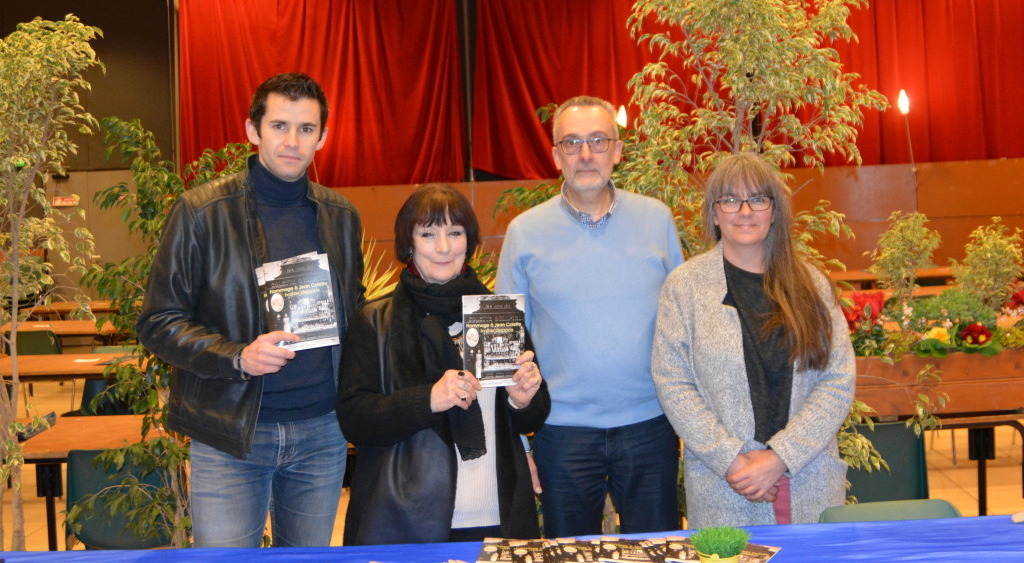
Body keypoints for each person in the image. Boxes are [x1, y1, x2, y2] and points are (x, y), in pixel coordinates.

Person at [137, 72, 364, 547]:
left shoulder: (341, 216)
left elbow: (357, 315)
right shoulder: (202, 212)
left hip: (321, 434)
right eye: (279, 125)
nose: (292, 141)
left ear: (323, 137)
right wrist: (237, 357)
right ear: (252, 130)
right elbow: (158, 322)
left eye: (306, 129)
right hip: (230, 433)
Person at [496, 96, 684, 537]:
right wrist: (518, 440)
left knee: (658, 551)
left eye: (598, 141)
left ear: (618, 151)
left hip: (649, 426)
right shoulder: (525, 231)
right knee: (567, 554)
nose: (585, 154)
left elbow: (684, 324)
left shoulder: (657, 220)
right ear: (555, 155)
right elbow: (502, 339)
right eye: (572, 142)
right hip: (562, 432)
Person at [337, 184, 550, 545]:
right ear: (408, 243)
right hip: (409, 519)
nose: (443, 247)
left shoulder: (496, 312)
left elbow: (532, 415)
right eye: (428, 233)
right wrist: (427, 400)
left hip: (498, 518)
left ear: (469, 241)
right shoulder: (375, 320)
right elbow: (354, 419)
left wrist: (523, 398)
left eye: (455, 232)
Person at [651, 152, 855, 528]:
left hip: (808, 478)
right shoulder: (685, 287)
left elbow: (837, 381)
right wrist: (733, 460)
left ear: (774, 211)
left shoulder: (811, 284)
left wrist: (781, 457)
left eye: (758, 198)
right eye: (729, 200)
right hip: (726, 483)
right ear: (714, 214)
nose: (744, 211)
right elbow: (674, 383)